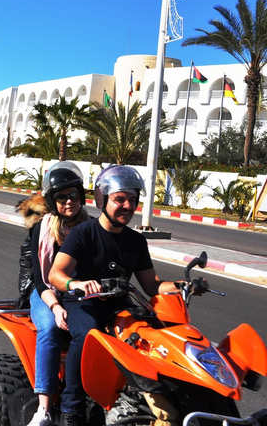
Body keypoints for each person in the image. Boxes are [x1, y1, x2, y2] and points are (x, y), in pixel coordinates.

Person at [48, 165, 200, 426]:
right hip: (84, 304)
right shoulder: (83, 234)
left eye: (132, 200)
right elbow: (56, 274)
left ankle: (152, 399)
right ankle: (72, 408)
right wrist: (78, 284)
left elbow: (152, 285)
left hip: (119, 306)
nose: (127, 206)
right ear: (102, 199)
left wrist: (185, 284)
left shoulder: (136, 241)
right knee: (87, 334)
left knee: (150, 334)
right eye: (120, 199)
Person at [22, 162, 90, 426]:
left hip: (80, 294)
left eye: (73, 195)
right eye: (61, 197)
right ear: (52, 201)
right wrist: (55, 307)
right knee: (50, 329)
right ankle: (45, 408)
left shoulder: (91, 226)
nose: (69, 201)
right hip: (46, 294)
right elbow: (40, 279)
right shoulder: (42, 229)